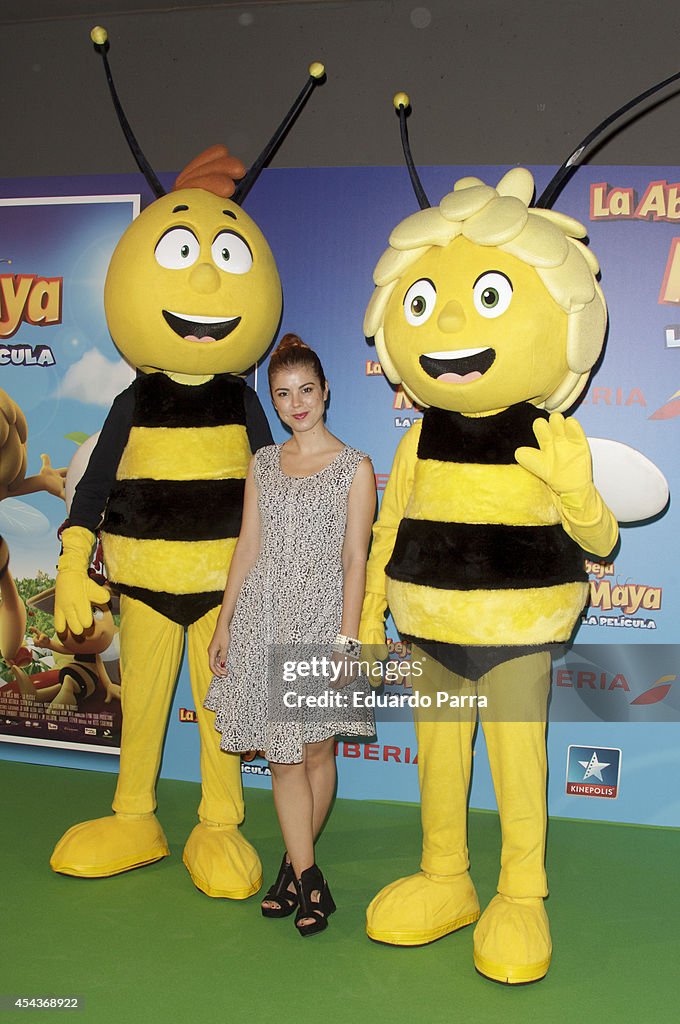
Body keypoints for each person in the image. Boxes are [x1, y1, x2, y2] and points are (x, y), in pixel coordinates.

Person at [205, 334, 376, 936]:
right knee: (282, 761)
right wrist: (226, 622)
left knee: (317, 752)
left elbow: (356, 559)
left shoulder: (356, 468)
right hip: (262, 619)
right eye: (284, 394)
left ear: (326, 391)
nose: (297, 403)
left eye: (306, 390)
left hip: (321, 624)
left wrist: (347, 641)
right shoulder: (263, 464)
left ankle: (290, 868)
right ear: (273, 403)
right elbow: (246, 547)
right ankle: (311, 882)